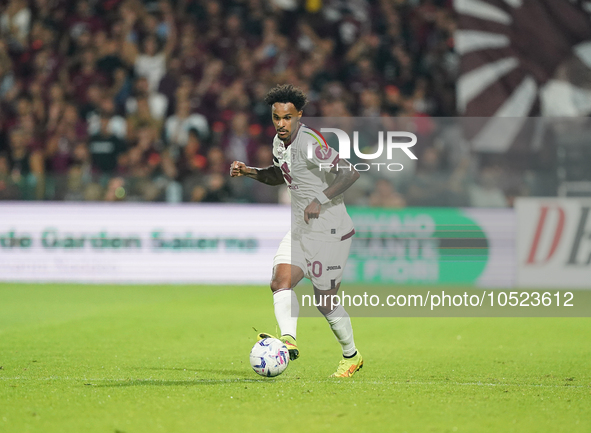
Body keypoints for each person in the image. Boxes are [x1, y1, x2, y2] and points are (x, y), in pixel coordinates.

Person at [230, 84, 363, 377]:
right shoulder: (280, 143)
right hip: (303, 228)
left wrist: (320, 199)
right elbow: (280, 174)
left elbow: (350, 172)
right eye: (276, 117)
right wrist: (249, 171)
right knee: (280, 281)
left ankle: (351, 355)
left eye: (287, 117)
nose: (281, 123)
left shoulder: (310, 143)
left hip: (331, 230)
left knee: (325, 301)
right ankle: (288, 339)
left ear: (299, 115)